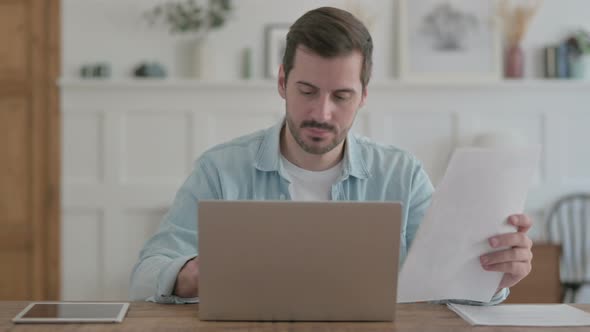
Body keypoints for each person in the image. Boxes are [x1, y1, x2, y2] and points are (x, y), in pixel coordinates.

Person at [130, 7, 533, 304]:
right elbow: (145, 274)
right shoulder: (220, 169)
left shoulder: (401, 175)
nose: (322, 113)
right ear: (283, 82)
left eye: (341, 96)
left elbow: (442, 285)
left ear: (364, 96)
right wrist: (192, 274)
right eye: (307, 91)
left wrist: (494, 277)